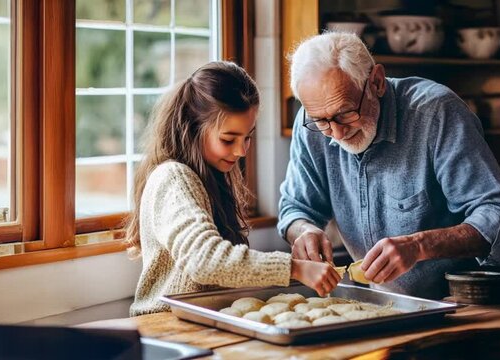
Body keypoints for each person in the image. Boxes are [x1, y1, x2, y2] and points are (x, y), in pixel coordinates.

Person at [278, 33, 500, 300]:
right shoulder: (312, 125)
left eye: (346, 113)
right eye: (321, 120)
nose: (336, 133)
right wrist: (304, 230)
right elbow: (295, 209)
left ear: (377, 82)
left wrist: (419, 245)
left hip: (472, 305)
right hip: (393, 307)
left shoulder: (436, 113)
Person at [126, 61, 341, 316]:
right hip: (162, 327)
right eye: (228, 139)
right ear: (193, 129)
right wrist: (293, 268)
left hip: (196, 323)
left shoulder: (210, 175)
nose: (240, 151)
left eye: (247, 137)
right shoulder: (172, 178)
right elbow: (205, 260)